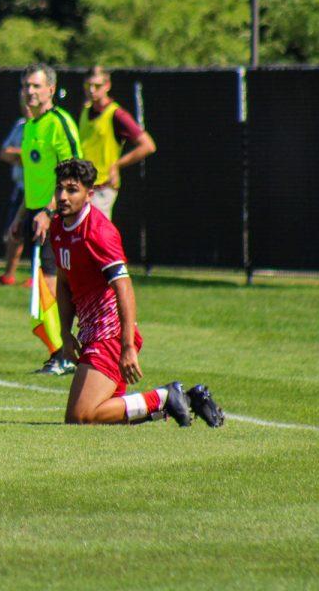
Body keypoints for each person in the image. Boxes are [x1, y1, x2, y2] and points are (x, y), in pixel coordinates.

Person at [49, 158, 224, 428]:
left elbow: (124, 287)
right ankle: (184, 399)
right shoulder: (58, 227)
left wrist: (127, 346)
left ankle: (165, 397)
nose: (62, 196)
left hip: (110, 334)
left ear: (89, 194)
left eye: (71, 190)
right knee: (101, 416)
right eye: (59, 188)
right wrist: (64, 332)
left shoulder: (98, 232)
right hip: (90, 332)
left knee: (80, 417)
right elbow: (64, 282)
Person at [10, 63, 81, 376]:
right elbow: (33, 179)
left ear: (51, 89)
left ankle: (64, 353)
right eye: (27, 85)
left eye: (37, 86)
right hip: (37, 215)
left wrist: (50, 210)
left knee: (52, 286)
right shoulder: (29, 126)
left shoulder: (59, 122)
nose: (31, 91)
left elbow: (74, 172)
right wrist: (22, 214)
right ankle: (59, 352)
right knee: (44, 287)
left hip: (58, 217)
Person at [79, 66, 157, 219]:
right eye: (88, 86)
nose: (92, 90)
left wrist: (117, 165)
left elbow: (148, 145)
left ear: (107, 86)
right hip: (84, 187)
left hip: (102, 188)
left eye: (97, 86)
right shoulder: (86, 109)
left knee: (97, 237)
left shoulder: (116, 114)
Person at [0, 95, 30, 286]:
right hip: (21, 188)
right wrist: (26, 156)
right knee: (14, 232)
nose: (27, 107)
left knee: (40, 235)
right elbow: (4, 152)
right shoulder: (21, 125)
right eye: (24, 103)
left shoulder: (49, 125)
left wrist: (26, 155)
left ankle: (39, 276)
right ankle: (9, 275)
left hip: (39, 191)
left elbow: (41, 156)